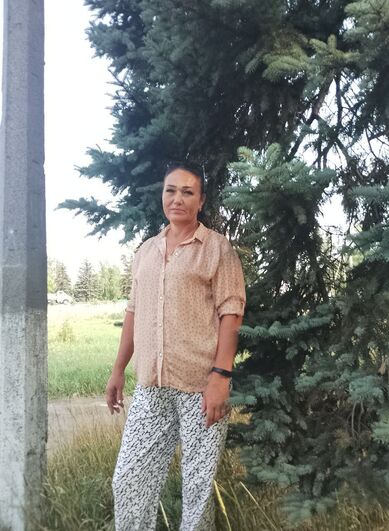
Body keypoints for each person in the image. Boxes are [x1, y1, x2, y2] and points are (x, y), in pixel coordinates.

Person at [106, 161, 246, 531]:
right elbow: (133, 312)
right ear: (162, 195)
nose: (177, 199)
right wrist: (118, 371)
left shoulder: (218, 250)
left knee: (197, 493)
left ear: (201, 200)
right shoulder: (146, 252)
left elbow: (231, 313)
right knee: (129, 481)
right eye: (171, 190)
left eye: (187, 192)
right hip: (151, 387)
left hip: (202, 387)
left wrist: (221, 376)